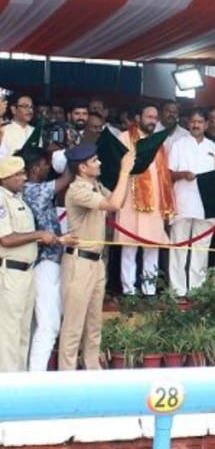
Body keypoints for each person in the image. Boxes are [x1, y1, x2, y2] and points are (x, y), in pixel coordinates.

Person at [59, 143, 135, 370]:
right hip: (79, 262)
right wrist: (123, 171)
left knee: (94, 325)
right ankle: (67, 376)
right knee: (73, 326)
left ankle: (92, 369)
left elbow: (118, 201)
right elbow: (112, 205)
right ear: (82, 167)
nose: (99, 163)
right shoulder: (77, 190)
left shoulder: (95, 186)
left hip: (95, 262)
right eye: (94, 161)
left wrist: (129, 173)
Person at [0, 156, 66, 372]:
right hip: (11, 271)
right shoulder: (2, 200)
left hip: (27, 272)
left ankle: (20, 382)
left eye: (22, 173)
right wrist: (39, 234)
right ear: (4, 178)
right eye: (18, 175)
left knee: (23, 330)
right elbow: (6, 238)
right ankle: (8, 384)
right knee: (9, 331)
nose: (23, 178)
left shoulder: (18, 199)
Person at [19, 147, 74, 371]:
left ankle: (30, 373)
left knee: (37, 324)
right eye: (44, 164)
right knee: (49, 325)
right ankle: (37, 378)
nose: (47, 168)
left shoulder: (28, 189)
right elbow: (67, 178)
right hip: (45, 263)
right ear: (33, 168)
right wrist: (70, 157)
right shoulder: (33, 190)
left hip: (40, 262)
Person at [114, 102, 174, 296]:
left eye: (155, 118)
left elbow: (163, 174)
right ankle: (128, 291)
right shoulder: (124, 138)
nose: (152, 121)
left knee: (152, 246)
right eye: (149, 117)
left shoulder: (158, 142)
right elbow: (118, 168)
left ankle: (149, 290)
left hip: (155, 202)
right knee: (129, 246)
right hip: (130, 200)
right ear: (138, 118)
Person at [168, 108, 215, 297]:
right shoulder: (179, 145)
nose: (196, 125)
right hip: (182, 202)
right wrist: (183, 175)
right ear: (188, 123)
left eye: (200, 122)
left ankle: (197, 290)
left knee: (201, 249)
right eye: (193, 121)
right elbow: (168, 173)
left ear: (206, 125)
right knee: (179, 247)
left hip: (205, 206)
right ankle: (177, 290)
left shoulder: (212, 147)